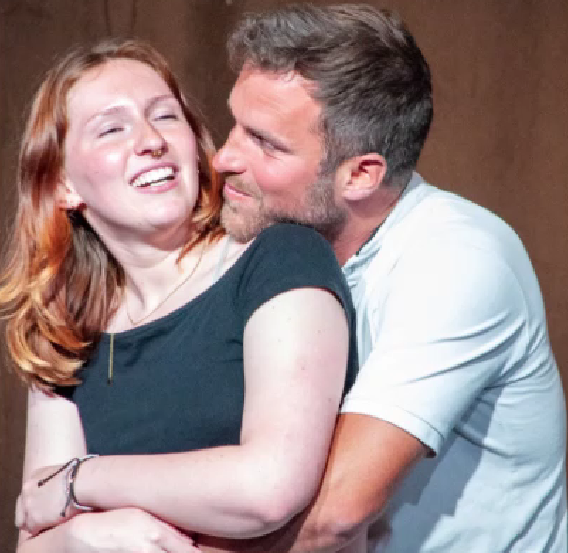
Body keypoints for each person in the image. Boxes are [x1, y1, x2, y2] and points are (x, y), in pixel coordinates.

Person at [207, 3, 568, 552]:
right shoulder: (253, 240)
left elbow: (335, 513)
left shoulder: (457, 257)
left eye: (265, 143)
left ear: (361, 175)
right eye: (234, 125)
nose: (222, 159)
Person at [1, 39, 357, 552]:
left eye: (165, 116)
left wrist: (80, 481)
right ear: (62, 185)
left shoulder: (279, 259)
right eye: (112, 128)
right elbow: (35, 532)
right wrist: (84, 533)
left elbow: (268, 489)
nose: (151, 141)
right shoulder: (66, 332)